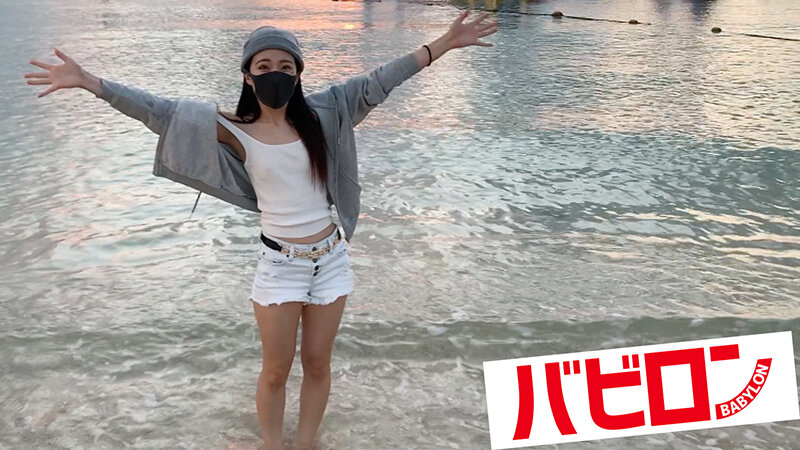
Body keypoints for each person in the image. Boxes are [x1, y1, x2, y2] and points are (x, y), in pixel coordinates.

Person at [25, 9, 498, 450]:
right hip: (279, 265)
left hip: (331, 261)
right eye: (265, 66)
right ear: (248, 76)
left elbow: (382, 80)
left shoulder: (328, 113)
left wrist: (445, 42)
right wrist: (91, 83)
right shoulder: (230, 127)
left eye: (286, 67)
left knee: (318, 364)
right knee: (275, 371)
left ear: (299, 74)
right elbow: (158, 112)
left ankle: (306, 444)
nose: (276, 74)